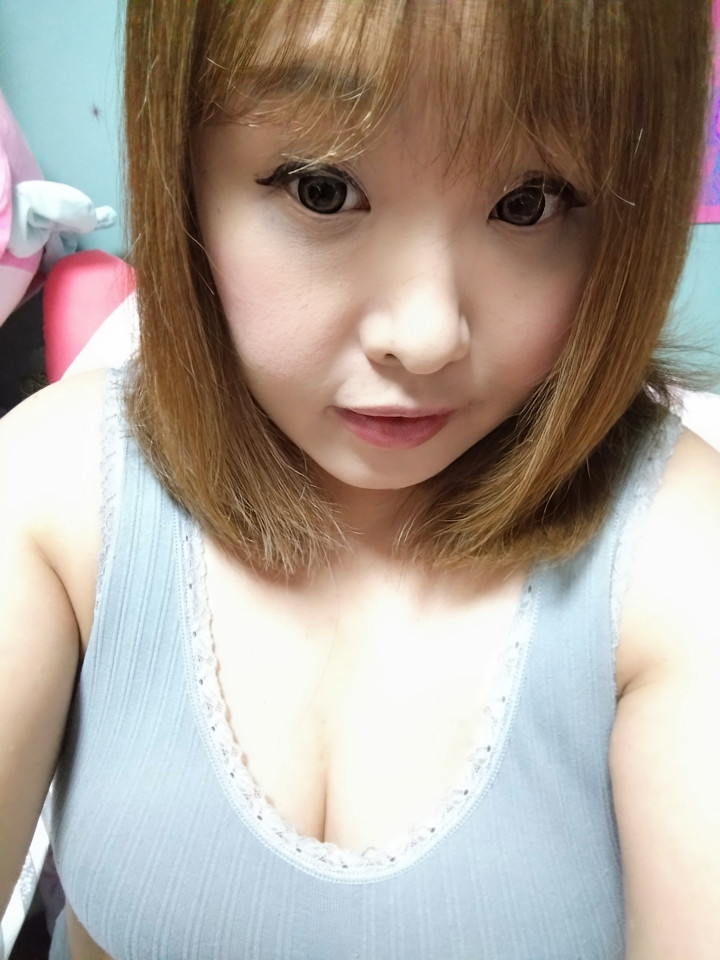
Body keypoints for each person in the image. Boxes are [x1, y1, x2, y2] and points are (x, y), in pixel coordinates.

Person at [1, 1, 719, 957]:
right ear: (184, 170)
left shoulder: (679, 559)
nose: (424, 336)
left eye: (530, 203)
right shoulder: (58, 489)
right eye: (323, 188)